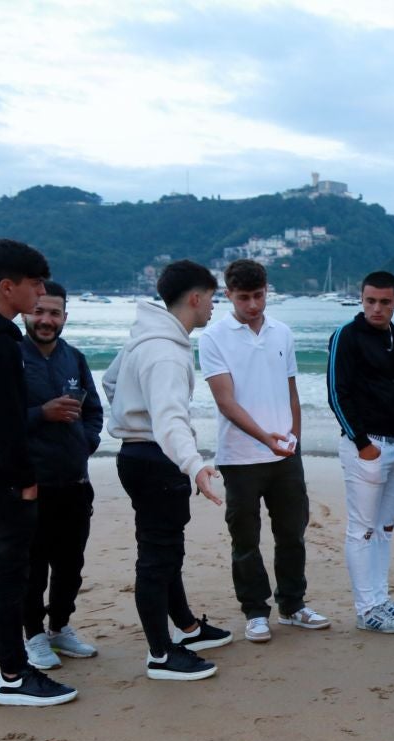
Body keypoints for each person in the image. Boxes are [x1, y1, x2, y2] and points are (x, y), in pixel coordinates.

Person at [104, 259, 234, 681]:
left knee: (165, 551)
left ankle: (188, 628)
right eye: (212, 299)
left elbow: (111, 382)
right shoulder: (167, 353)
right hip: (156, 458)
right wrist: (194, 464)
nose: (214, 307)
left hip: (137, 454)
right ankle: (160, 655)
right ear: (194, 298)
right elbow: (170, 420)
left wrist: (129, 415)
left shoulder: (145, 338)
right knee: (157, 558)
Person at [0, 240, 77, 706]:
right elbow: (4, 424)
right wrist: (24, 479)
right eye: (34, 284)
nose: (40, 291)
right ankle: (14, 674)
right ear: (7, 287)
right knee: (9, 576)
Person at [199, 260, 328, 644]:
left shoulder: (282, 332)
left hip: (285, 455)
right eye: (244, 298)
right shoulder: (213, 337)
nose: (253, 305)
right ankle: (255, 612)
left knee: (292, 533)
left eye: (259, 296)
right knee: (245, 539)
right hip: (239, 457)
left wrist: (294, 440)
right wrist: (264, 438)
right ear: (228, 295)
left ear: (267, 290)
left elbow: (291, 392)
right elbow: (225, 401)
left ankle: (292, 605)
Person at [326, 271, 394, 634]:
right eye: (370, 301)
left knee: (384, 529)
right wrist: (362, 443)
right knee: (362, 530)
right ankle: (367, 609)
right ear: (361, 299)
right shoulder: (346, 336)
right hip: (367, 447)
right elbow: (336, 393)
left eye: (384, 302)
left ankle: (381, 599)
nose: (376, 308)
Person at [20, 280, 103, 669]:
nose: (46, 320)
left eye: (54, 313)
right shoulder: (11, 357)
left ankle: (60, 628)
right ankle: (33, 636)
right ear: (26, 313)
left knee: (70, 565)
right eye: (39, 311)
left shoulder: (75, 358)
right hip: (31, 484)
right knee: (33, 567)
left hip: (75, 482)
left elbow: (94, 410)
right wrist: (42, 413)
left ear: (65, 317)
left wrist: (86, 442)